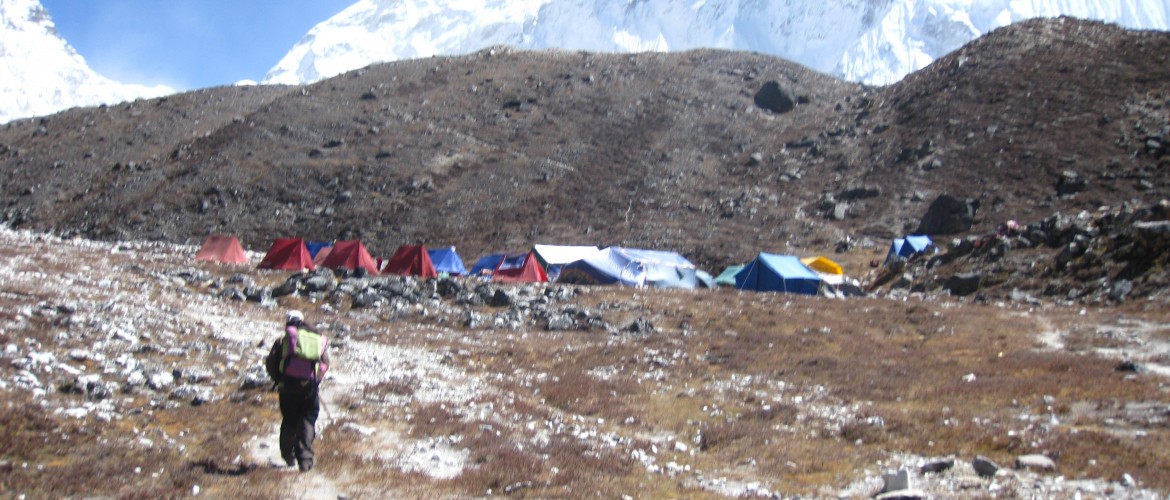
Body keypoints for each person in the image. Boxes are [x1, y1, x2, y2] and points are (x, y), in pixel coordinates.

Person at [265, 310, 330, 472]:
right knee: (307, 420)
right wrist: (316, 379)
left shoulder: (283, 341)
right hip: (309, 387)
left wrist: (278, 379)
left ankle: (288, 455)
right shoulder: (315, 340)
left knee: (289, 420)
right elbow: (325, 363)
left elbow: (271, 363)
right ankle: (305, 461)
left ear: (287, 323)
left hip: (287, 387)